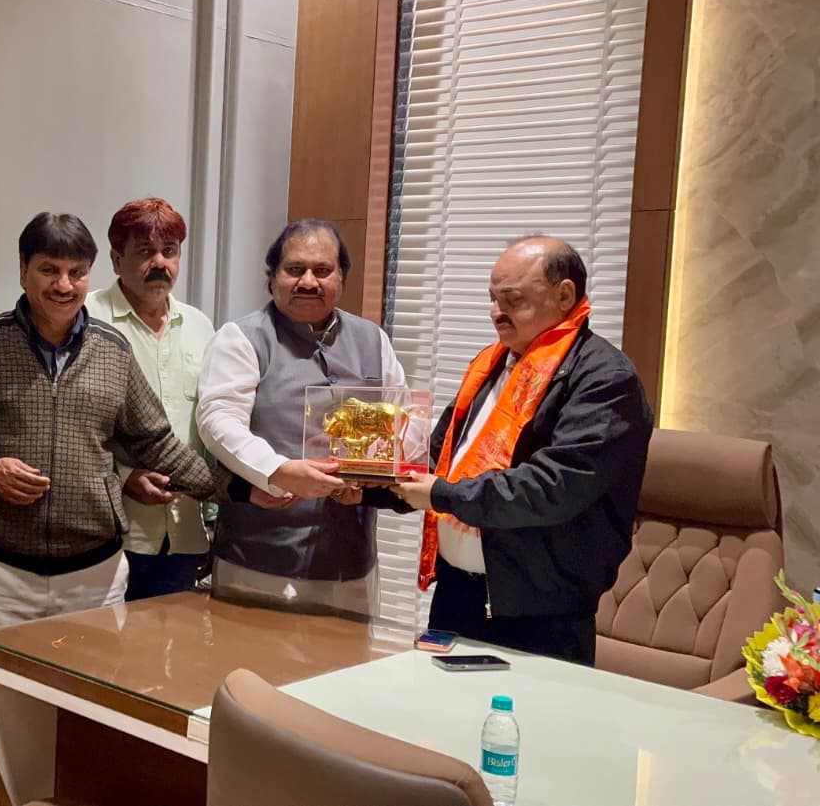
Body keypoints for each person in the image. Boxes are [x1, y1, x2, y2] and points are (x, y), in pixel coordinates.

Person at [0, 211, 227, 630]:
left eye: (76, 272)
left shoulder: (113, 350)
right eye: (49, 270)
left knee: (93, 674)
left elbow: (156, 442)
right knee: (0, 675)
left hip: (95, 573)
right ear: (23, 271)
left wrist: (237, 490)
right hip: (0, 571)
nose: (64, 285)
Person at [393, 236, 653, 665]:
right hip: (457, 594)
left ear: (564, 295)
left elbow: (553, 486)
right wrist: (369, 483)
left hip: (540, 613)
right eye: (493, 299)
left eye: (512, 300)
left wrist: (442, 495)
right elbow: (441, 461)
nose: (497, 312)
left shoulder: (605, 379)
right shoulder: (492, 363)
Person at [197, 219, 408, 615]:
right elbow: (217, 420)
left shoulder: (373, 339)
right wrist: (278, 471)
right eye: (295, 269)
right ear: (272, 277)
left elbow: (403, 420)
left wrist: (379, 472)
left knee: (349, 655)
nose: (308, 281)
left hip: (351, 562)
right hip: (260, 559)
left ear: (342, 277)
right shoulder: (242, 338)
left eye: (323, 270)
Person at [84, 198, 217, 600]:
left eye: (169, 251)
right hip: (109, 534)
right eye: (144, 252)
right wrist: (125, 478)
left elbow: (209, 431)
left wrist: (213, 523)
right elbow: (70, 428)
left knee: (174, 638)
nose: (160, 263)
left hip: (184, 535)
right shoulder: (86, 319)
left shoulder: (199, 326)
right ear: (116, 259)